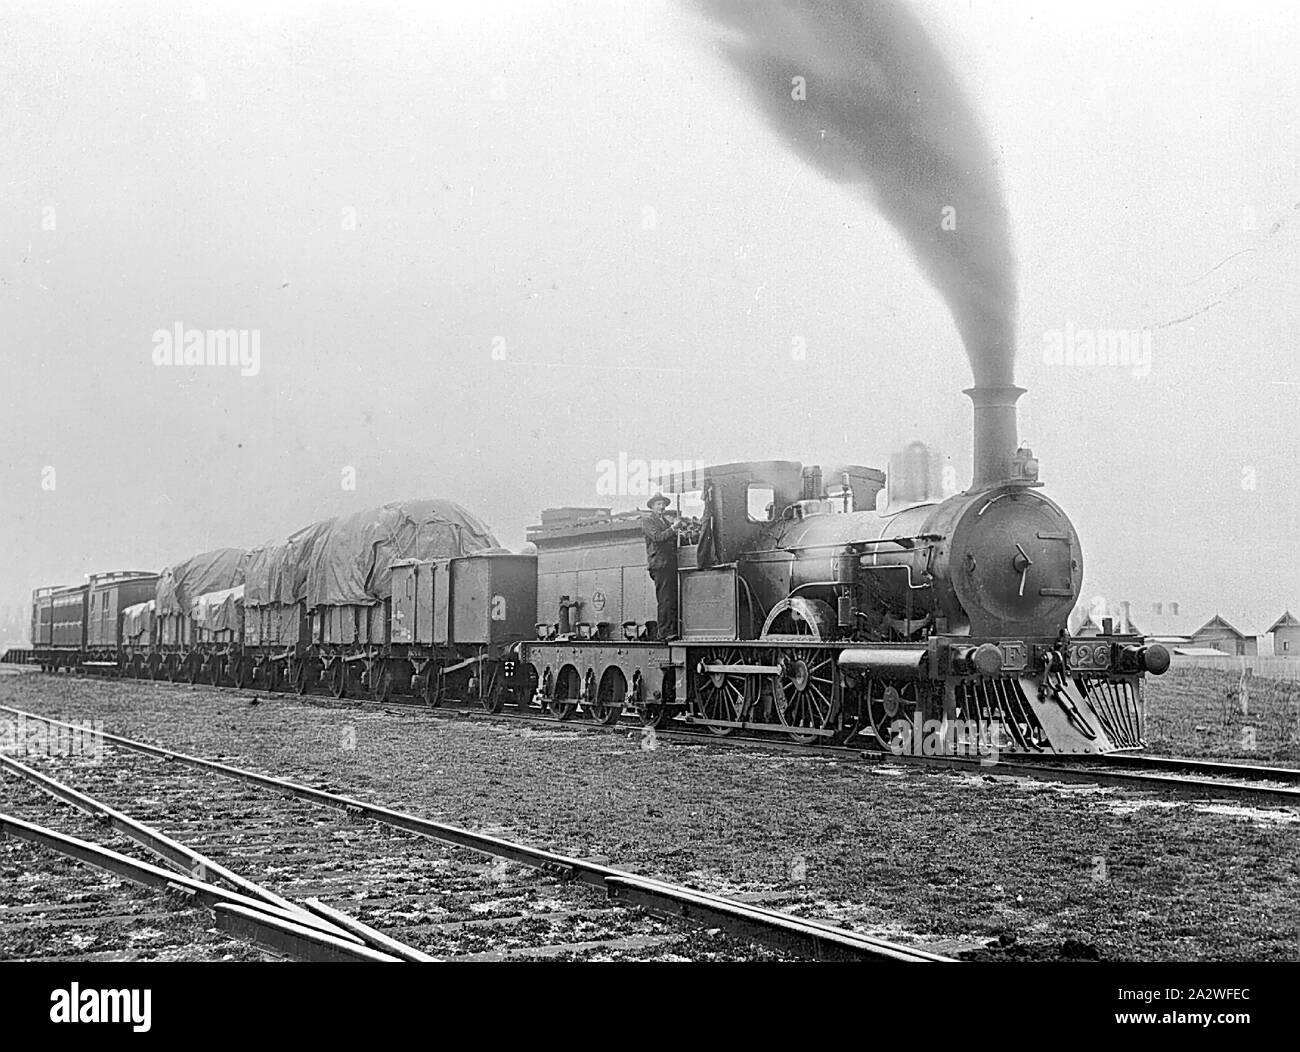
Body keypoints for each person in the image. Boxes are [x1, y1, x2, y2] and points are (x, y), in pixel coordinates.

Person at [642, 493, 682, 640]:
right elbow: (658, 537)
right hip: (660, 564)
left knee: (670, 598)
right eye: (658, 504)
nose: (662, 507)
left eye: (663, 504)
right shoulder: (648, 521)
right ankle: (664, 633)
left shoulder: (664, 521)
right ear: (652, 506)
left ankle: (671, 630)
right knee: (665, 599)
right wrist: (673, 529)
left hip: (668, 564)